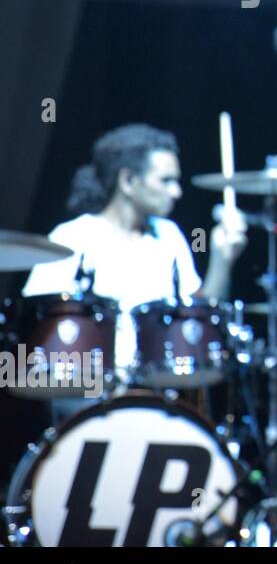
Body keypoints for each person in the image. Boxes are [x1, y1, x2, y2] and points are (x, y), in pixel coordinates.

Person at [23, 123, 247, 384]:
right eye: (166, 181)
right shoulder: (71, 237)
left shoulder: (169, 236)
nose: (177, 192)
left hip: (155, 391)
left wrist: (223, 260)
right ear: (128, 181)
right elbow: (36, 328)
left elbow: (198, 324)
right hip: (85, 391)